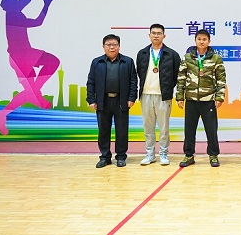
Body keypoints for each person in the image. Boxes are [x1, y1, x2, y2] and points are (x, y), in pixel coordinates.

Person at [0, 0, 60, 136]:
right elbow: (37, 20)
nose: (19, 0)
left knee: (37, 84)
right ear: (9, 5)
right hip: (20, 57)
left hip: (24, 54)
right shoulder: (13, 14)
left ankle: (5, 112)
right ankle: (33, 96)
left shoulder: (14, 11)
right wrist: (45, 5)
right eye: (15, 0)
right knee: (51, 64)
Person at [86, 34, 138, 168]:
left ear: (119, 46)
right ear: (103, 47)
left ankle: (121, 156)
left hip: (121, 101)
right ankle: (105, 157)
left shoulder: (128, 62)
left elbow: (133, 81)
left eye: (114, 44)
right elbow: (91, 81)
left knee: (122, 130)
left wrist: (131, 98)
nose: (111, 47)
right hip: (102, 101)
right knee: (103, 130)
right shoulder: (97, 62)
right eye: (108, 45)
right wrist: (91, 99)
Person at [176, 30, 226, 168]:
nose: (202, 41)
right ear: (195, 40)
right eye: (199, 39)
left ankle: (213, 155)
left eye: (204, 39)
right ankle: (189, 155)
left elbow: (221, 79)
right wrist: (180, 97)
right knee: (189, 130)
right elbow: (181, 78)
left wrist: (219, 97)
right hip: (191, 99)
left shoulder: (216, 58)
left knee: (211, 130)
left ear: (209, 41)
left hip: (208, 100)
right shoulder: (187, 57)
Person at [136, 24, 181, 166]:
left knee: (164, 128)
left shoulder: (172, 54)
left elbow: (177, 76)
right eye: (153, 33)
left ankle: (163, 153)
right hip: (146, 95)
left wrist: (167, 88)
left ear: (164, 36)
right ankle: (150, 154)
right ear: (149, 35)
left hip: (163, 96)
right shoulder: (142, 53)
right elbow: (139, 72)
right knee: (148, 128)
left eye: (159, 33)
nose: (156, 35)